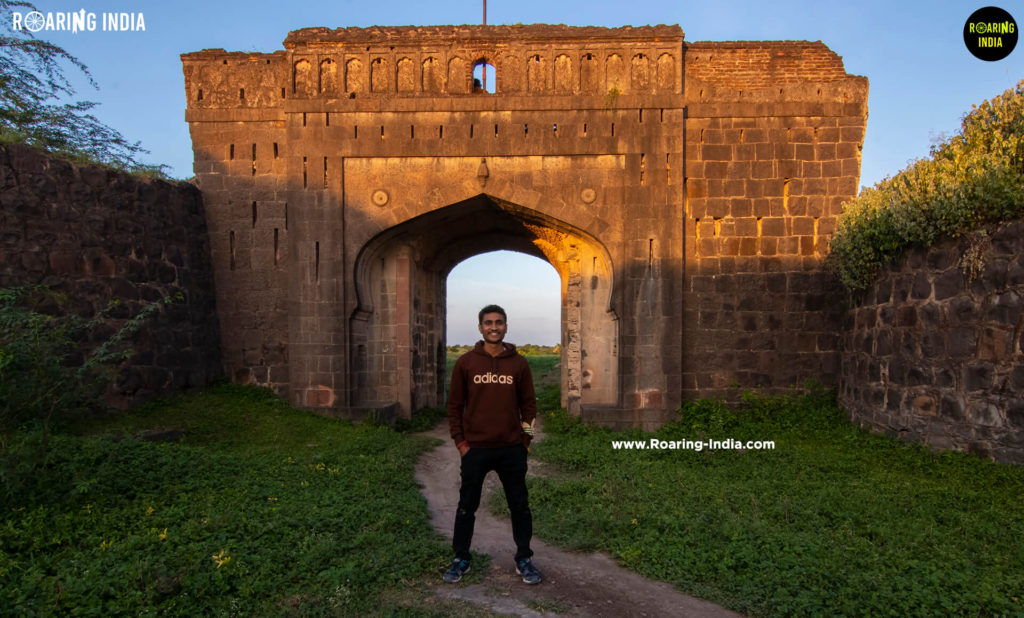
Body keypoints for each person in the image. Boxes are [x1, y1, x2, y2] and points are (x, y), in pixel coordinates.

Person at [443, 304, 542, 585]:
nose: (494, 327)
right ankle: (461, 558)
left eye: (499, 322)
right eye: (488, 323)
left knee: (519, 506)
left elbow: (529, 406)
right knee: (466, 506)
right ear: (480, 328)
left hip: (512, 449)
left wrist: (526, 441)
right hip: (475, 449)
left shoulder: (519, 363)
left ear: (506, 326)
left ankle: (524, 558)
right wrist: (460, 442)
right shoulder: (466, 363)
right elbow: (455, 406)